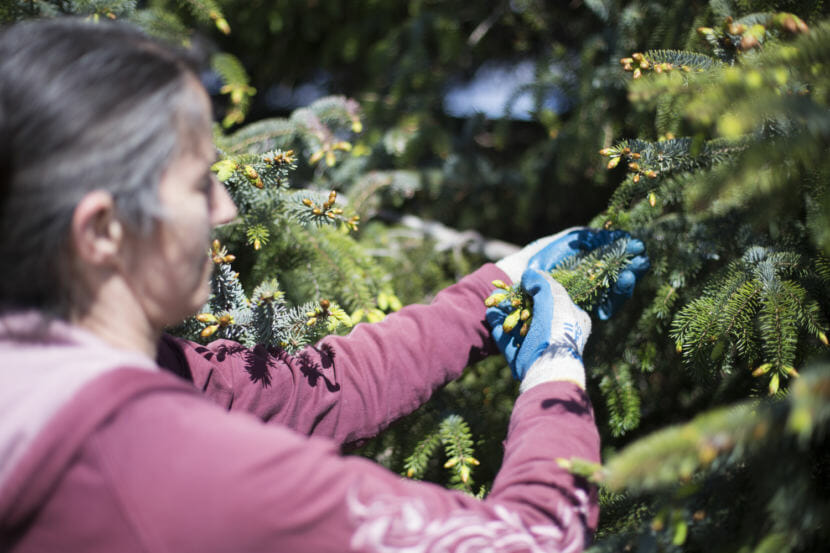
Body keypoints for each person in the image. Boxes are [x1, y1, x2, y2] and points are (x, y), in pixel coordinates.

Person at [0, 18, 648, 553]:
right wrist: (557, 372)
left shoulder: (62, 378)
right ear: (103, 230)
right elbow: (530, 540)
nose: (225, 208)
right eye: (199, 183)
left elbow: (308, 388)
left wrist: (495, 289)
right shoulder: (171, 464)